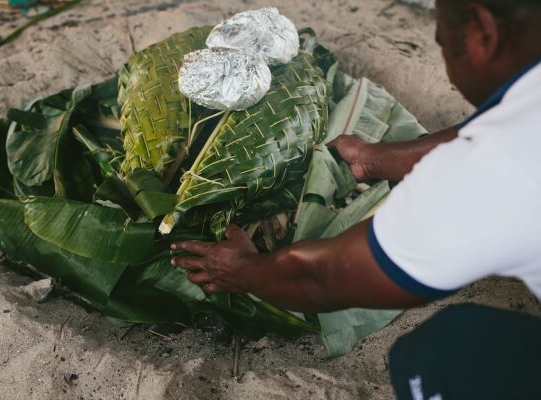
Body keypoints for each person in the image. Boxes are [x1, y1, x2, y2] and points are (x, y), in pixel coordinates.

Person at [171, 0, 541, 398]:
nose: (444, 52)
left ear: (483, 31)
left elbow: (323, 278)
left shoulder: (489, 172)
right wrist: (372, 158)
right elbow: (495, 123)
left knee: (444, 355)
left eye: (445, 43)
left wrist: (242, 269)